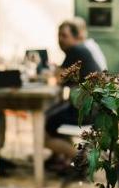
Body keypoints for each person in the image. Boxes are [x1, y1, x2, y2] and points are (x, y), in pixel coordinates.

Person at [44, 18, 103, 169]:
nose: (60, 39)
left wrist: (53, 72)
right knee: (50, 116)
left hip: (88, 111)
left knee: (44, 126)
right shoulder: (80, 50)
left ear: (75, 37)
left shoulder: (76, 50)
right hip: (93, 108)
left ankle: (83, 160)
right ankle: (66, 158)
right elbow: (62, 77)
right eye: (59, 35)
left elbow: (57, 78)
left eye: (64, 36)